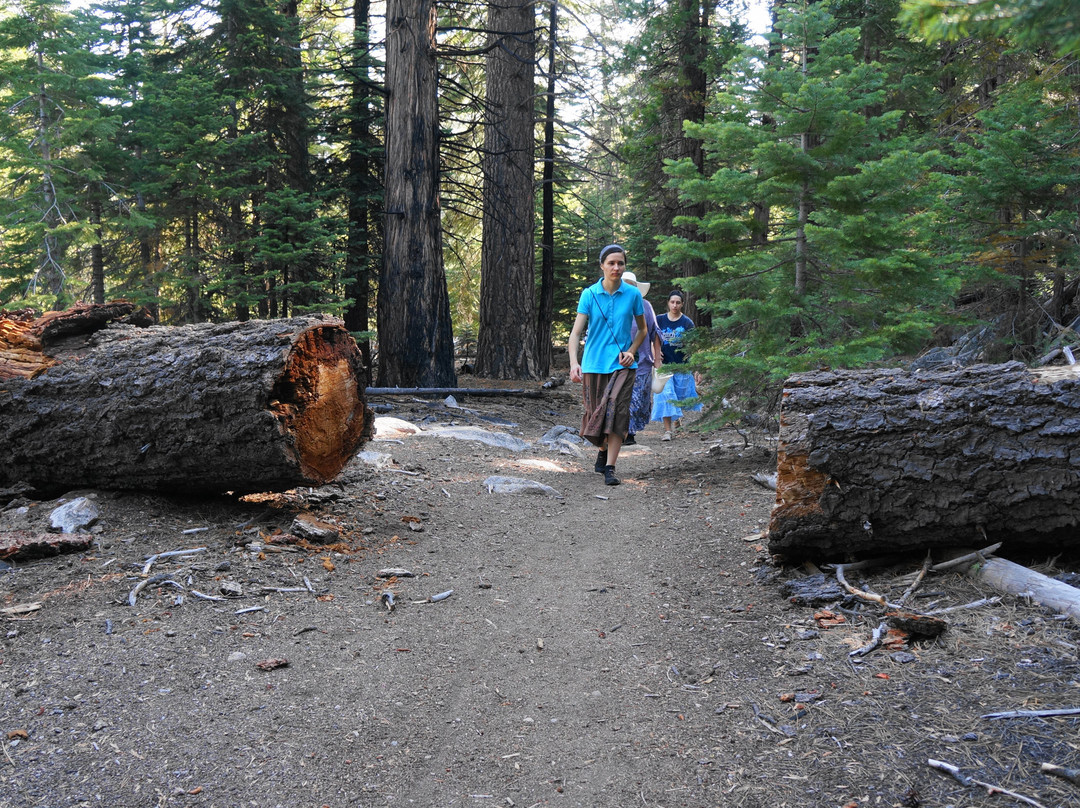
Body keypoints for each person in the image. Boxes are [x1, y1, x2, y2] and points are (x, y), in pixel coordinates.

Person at [568, 244, 647, 486]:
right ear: (602, 265)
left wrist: (632, 352)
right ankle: (602, 451)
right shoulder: (589, 294)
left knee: (618, 411)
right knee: (597, 414)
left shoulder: (633, 295)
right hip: (593, 365)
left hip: (623, 366)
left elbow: (643, 330)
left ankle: (610, 467)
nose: (616, 267)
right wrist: (574, 363)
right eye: (611, 263)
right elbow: (575, 333)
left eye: (620, 263)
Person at [651, 289, 702, 441]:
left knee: (679, 396)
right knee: (666, 395)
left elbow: (693, 346)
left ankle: (677, 417)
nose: (675, 305)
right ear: (668, 303)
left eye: (678, 302)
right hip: (664, 366)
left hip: (682, 366)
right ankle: (668, 431)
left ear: (682, 304)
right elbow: (652, 338)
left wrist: (697, 368)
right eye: (672, 302)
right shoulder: (659, 320)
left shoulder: (687, 323)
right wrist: (655, 352)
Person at [620, 271, 663, 446]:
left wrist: (658, 359)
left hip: (643, 361)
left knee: (637, 398)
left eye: (632, 285)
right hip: (618, 361)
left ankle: (629, 433)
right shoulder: (614, 305)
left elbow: (655, 332)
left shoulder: (645, 306)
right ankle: (621, 431)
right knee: (621, 397)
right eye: (625, 284)